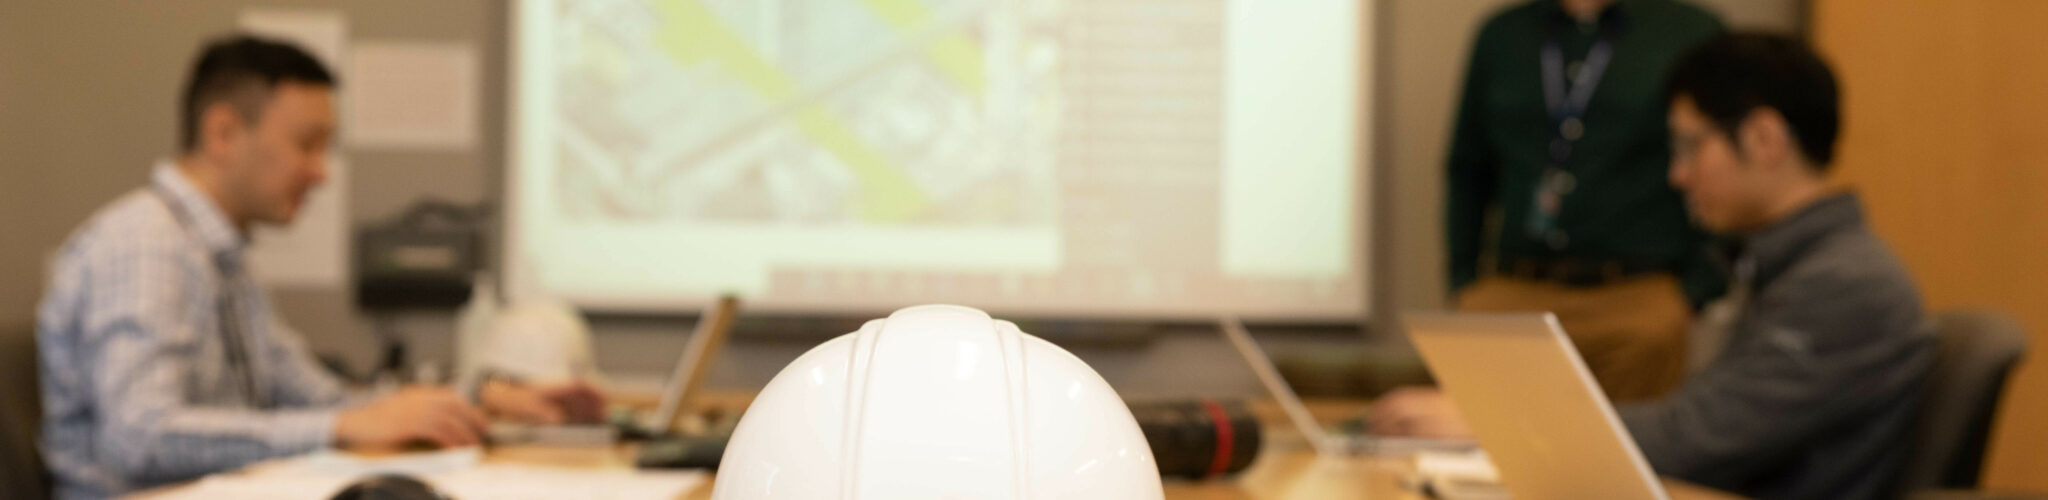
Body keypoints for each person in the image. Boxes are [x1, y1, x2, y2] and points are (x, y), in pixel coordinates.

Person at [36, 35, 604, 500]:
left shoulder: (223, 258)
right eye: (307, 144)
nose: (321, 172)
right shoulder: (147, 246)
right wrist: (340, 428)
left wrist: (478, 400)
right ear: (223, 133)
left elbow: (321, 398)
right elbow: (139, 438)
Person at [1377, 33, 1936, 500]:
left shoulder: (1848, 284)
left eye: (1691, 146)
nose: (1678, 175)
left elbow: (1697, 437)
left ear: (1765, 138)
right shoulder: (1793, 264)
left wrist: (1495, 423)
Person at [1445, 0, 1727, 402]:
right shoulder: (1502, 34)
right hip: (1514, 292)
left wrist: (1698, 289)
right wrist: (1463, 283)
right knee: (1491, 435)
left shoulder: (1689, 31)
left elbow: (1726, 160)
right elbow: (1468, 167)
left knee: (1636, 438)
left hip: (1636, 300)